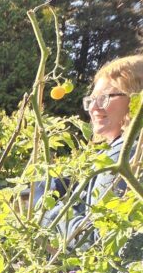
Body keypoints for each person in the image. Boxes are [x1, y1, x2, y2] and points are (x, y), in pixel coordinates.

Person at [48, 55, 143, 244]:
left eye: (104, 98)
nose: (93, 108)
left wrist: (49, 212)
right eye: (91, 100)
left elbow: (96, 239)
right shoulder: (114, 150)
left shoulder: (127, 155)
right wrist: (60, 183)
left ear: (136, 99)